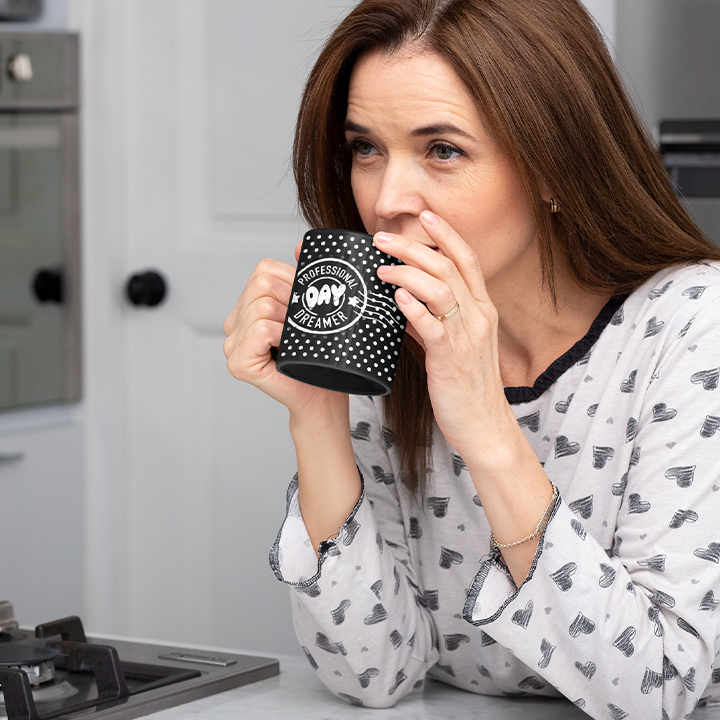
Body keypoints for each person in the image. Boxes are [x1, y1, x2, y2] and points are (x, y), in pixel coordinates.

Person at [222, 1, 720, 717]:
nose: (388, 199)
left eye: (443, 150)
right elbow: (374, 673)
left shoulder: (693, 326)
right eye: (366, 148)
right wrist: (317, 416)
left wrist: (487, 427)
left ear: (557, 168)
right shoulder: (389, 328)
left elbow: (659, 691)